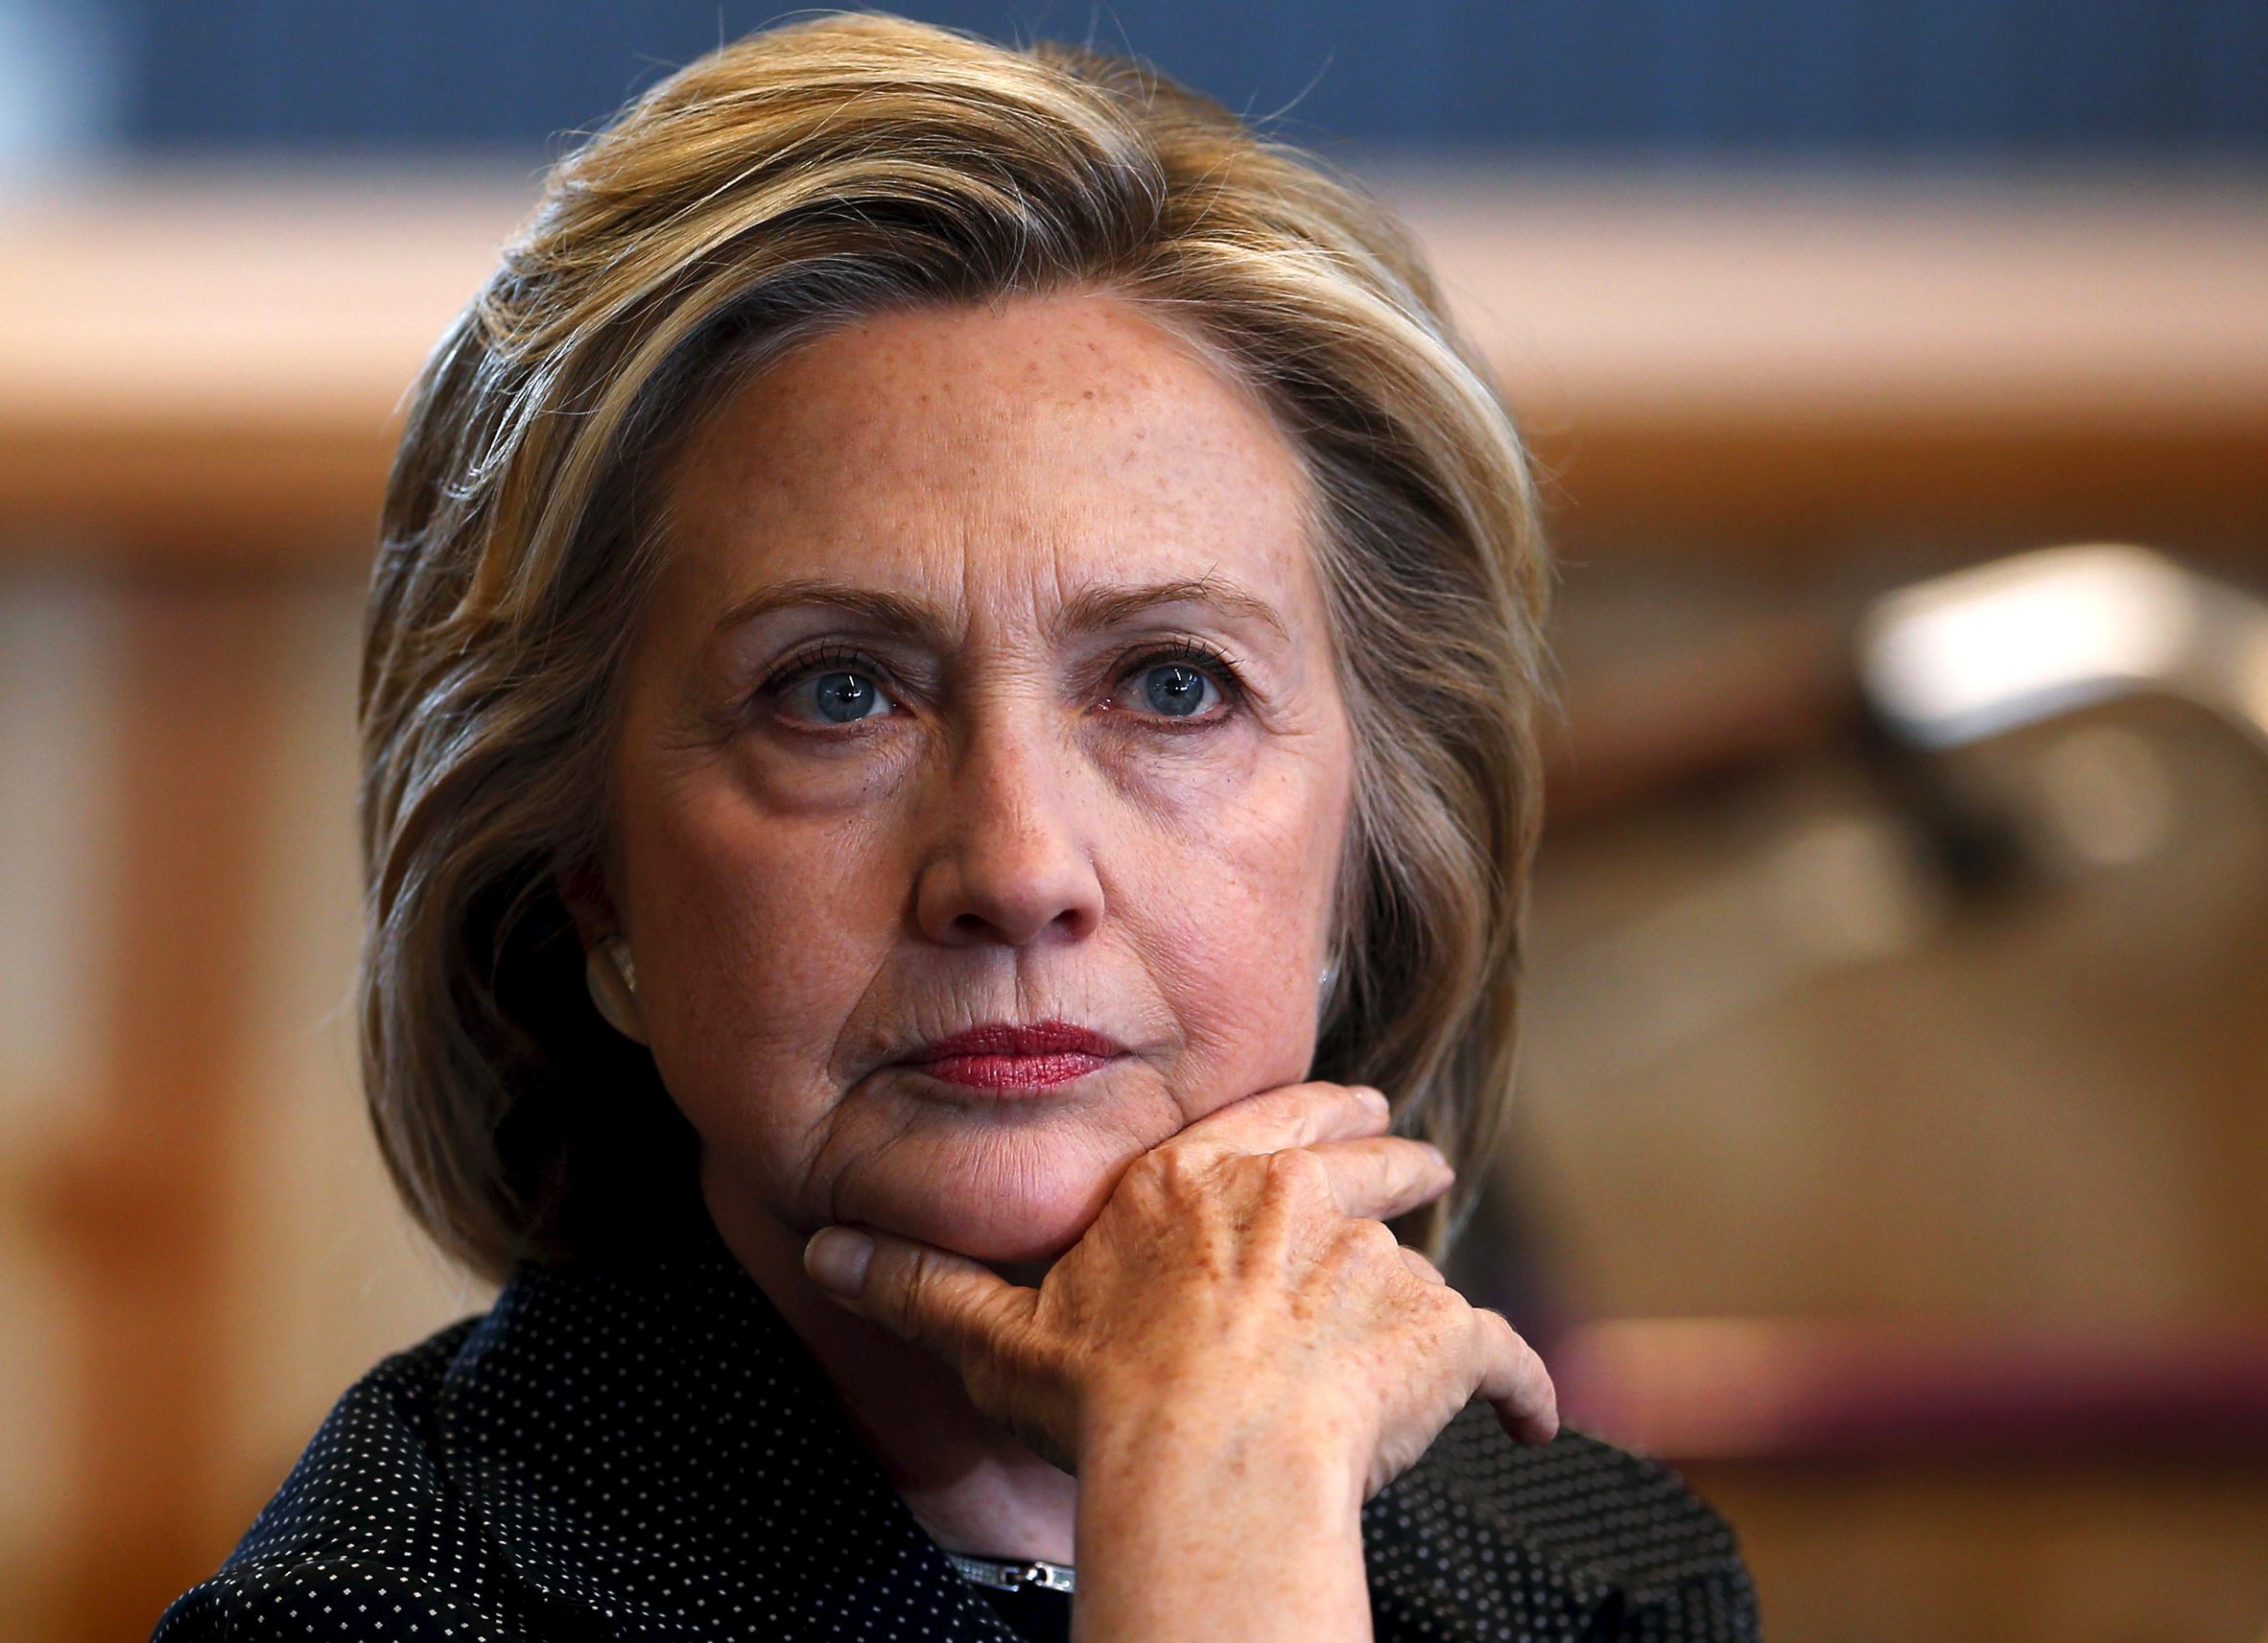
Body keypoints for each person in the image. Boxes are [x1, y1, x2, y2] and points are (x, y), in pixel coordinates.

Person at [155, 14, 1755, 1641]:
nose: (1015, 868)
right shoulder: (378, 1613)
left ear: (1370, 845)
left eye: (1173, 685)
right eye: (835, 693)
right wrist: (1219, 1534)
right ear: (588, 879)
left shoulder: (1600, 1574)